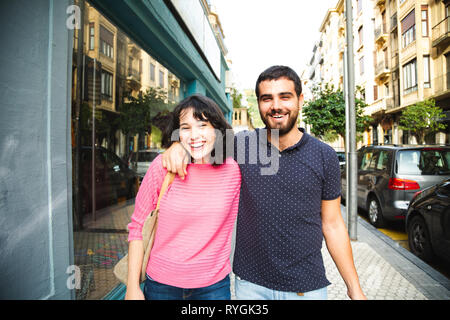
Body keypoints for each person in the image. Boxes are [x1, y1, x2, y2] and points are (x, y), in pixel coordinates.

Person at [162, 65, 367, 300]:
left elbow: (332, 225)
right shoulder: (239, 145)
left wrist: (354, 287)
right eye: (267, 98)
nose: (276, 106)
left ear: (300, 100)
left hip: (306, 287)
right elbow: (200, 141)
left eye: (285, 97)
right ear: (258, 103)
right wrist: (177, 146)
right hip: (251, 286)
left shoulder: (324, 155)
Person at [125, 94, 241, 300]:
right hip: (162, 286)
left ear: (217, 129)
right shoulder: (162, 167)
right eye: (186, 128)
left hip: (213, 287)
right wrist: (132, 287)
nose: (194, 135)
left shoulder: (233, 170)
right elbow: (137, 229)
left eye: (203, 125)